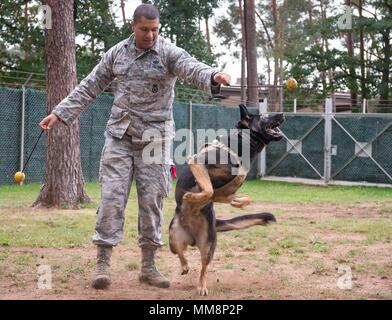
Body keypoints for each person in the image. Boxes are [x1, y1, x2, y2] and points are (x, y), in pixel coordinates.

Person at [39, 4, 231, 290]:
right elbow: (90, 85)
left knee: (152, 200)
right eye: (145, 30)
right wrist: (60, 112)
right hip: (120, 136)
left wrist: (213, 76)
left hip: (155, 138)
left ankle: (149, 266)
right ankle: (103, 263)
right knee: (111, 199)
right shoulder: (117, 53)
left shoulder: (168, 52)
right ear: (133, 26)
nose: (150, 35)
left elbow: (191, 67)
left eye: (155, 30)